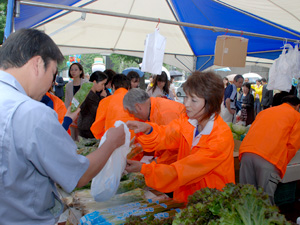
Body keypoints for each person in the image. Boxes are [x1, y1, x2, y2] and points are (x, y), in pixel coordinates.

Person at [0, 28, 125, 225]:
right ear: (37, 64)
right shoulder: (32, 112)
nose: (51, 82)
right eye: (52, 73)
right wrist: (112, 142)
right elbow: (79, 175)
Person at [125, 71, 235, 203]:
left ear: (211, 104)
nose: (186, 104)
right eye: (186, 97)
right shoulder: (188, 120)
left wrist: (144, 168)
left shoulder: (220, 137)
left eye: (193, 100)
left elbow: (183, 171)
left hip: (211, 202)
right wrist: (148, 129)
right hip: (187, 195)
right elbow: (167, 135)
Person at [239, 95, 300, 205]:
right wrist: (281, 163)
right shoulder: (296, 116)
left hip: (246, 154)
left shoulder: (265, 112)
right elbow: (293, 145)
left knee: (246, 199)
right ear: (297, 106)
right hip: (269, 158)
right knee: (265, 202)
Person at [123, 88, 186, 164]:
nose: (134, 117)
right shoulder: (153, 108)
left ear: (138, 107)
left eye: (132, 113)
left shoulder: (164, 113)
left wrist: (157, 162)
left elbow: (174, 147)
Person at [91, 74, 135, 140]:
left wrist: (104, 139)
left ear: (113, 87)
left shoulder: (105, 101)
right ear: (129, 87)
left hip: (112, 141)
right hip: (134, 142)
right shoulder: (137, 100)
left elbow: (97, 127)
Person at [78, 71, 108, 139]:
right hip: (87, 129)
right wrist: (103, 98)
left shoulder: (86, 91)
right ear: (94, 82)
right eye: (102, 84)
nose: (103, 87)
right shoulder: (89, 95)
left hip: (84, 127)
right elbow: (98, 111)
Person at [65, 62, 88, 141]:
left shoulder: (86, 84)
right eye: (71, 70)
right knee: (72, 136)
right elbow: (67, 100)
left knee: (81, 137)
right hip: (72, 112)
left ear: (80, 71)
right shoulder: (68, 86)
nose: (73, 72)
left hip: (83, 113)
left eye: (76, 70)